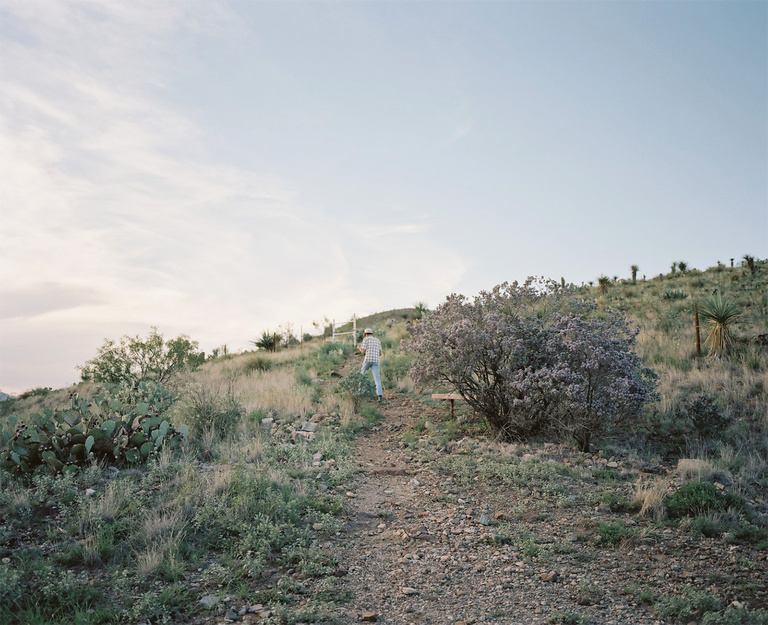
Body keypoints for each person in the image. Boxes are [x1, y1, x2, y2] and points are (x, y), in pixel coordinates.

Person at [358, 327, 383, 401]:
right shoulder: (377, 340)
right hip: (376, 360)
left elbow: (363, 351)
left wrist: (359, 349)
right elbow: (380, 353)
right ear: (371, 334)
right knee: (377, 378)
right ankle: (379, 395)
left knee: (362, 374)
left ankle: (359, 392)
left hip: (368, 359)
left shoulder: (366, 339)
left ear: (365, 334)